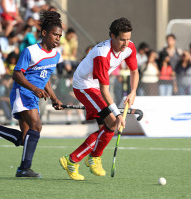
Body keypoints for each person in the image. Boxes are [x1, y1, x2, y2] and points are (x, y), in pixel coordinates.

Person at [0, 11, 64, 178]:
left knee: (24, 138)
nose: (58, 38)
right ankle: (23, 169)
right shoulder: (30, 51)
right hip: (23, 92)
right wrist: (35, 89)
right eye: (55, 34)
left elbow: (46, 77)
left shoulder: (56, 55)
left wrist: (54, 98)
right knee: (36, 127)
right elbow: (17, 74)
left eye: (60, 36)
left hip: (34, 96)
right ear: (44, 33)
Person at [59, 17, 139, 181]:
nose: (125, 44)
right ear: (112, 36)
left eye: (128, 39)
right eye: (122, 40)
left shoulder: (129, 47)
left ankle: (77, 159)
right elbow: (104, 89)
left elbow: (134, 71)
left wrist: (133, 91)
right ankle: (81, 159)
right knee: (111, 122)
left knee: (106, 126)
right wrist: (117, 113)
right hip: (85, 86)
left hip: (96, 86)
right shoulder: (102, 54)